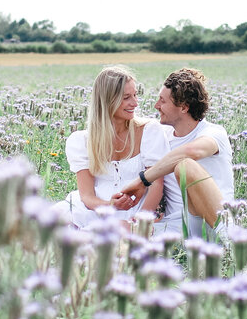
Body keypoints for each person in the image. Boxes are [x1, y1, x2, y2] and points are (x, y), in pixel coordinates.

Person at [115, 67, 232, 238]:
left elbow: (191, 152)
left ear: (184, 108)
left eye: (162, 101)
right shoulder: (162, 135)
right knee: (115, 233)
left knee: (185, 167)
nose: (156, 106)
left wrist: (143, 180)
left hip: (212, 223)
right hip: (176, 226)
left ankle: (231, 242)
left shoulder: (213, 133)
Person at [53, 65, 168, 228]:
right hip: (95, 211)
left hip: (138, 212)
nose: (135, 103)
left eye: (135, 95)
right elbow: (86, 196)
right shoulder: (82, 140)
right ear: (107, 100)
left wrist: (137, 223)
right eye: (126, 97)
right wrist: (110, 206)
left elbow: (157, 183)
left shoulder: (149, 131)